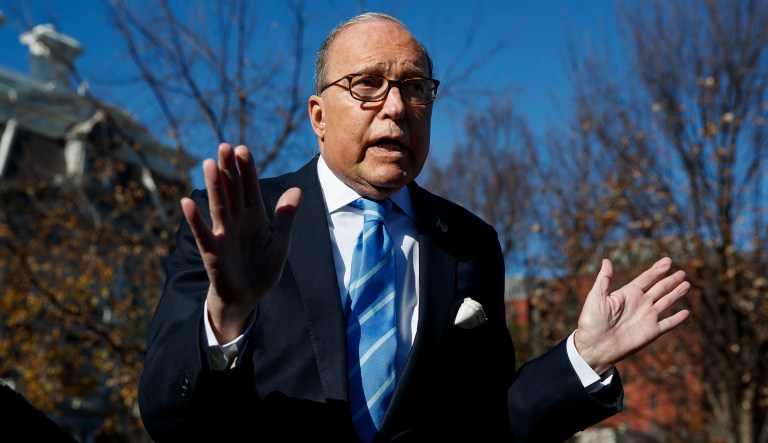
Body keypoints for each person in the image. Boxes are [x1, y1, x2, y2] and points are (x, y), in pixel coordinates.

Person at [138, 12, 690, 442]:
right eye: (368, 85)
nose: (397, 107)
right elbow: (168, 414)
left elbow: (489, 427)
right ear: (318, 116)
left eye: (415, 87)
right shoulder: (237, 223)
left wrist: (583, 358)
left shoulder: (471, 244)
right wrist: (226, 317)